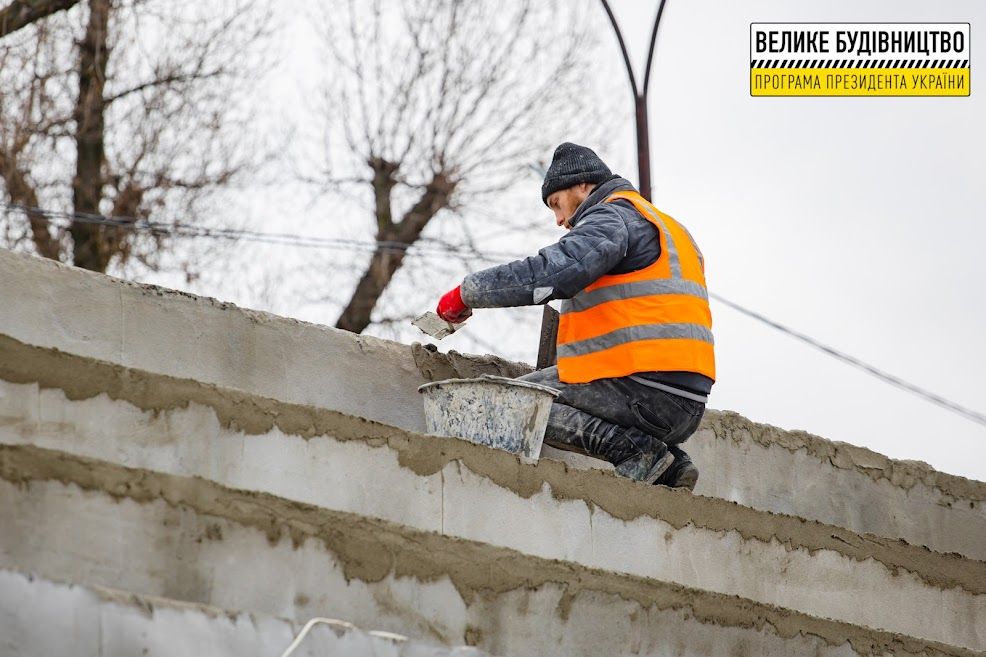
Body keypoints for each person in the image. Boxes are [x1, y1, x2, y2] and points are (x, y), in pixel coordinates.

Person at [435, 143, 715, 489]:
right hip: (687, 402)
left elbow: (552, 273)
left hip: (640, 387)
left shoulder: (613, 217)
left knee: (501, 405)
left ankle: (640, 452)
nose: (560, 220)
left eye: (556, 204)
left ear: (582, 185)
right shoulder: (668, 227)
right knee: (541, 388)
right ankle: (671, 465)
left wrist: (467, 293)